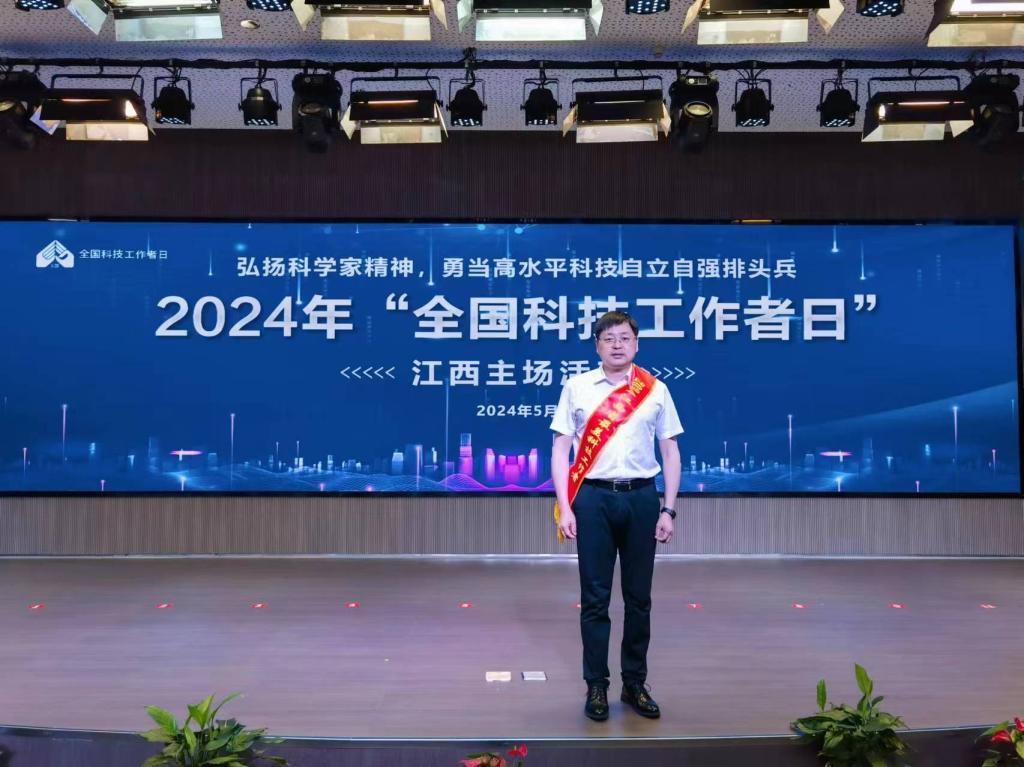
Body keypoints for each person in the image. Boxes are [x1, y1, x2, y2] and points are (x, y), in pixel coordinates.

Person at [549, 310, 683, 722]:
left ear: (636, 344)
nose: (617, 345)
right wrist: (565, 506)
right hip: (593, 499)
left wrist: (668, 508)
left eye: (624, 338)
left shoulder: (655, 390)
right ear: (597, 346)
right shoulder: (577, 387)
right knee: (595, 599)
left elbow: (671, 452)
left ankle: (634, 683)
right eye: (608, 338)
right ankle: (596, 686)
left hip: (642, 498)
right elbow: (560, 449)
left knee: (639, 599)